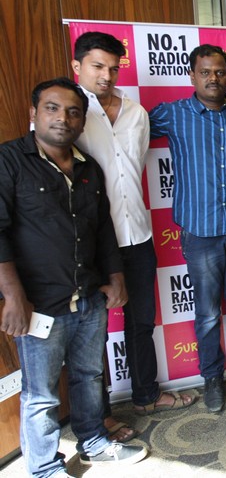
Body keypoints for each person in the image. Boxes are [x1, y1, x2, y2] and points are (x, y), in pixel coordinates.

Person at [0, 78, 148, 475]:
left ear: (82, 121)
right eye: (51, 108)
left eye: (72, 112)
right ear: (33, 113)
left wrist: (116, 277)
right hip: (39, 303)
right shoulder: (9, 161)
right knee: (41, 394)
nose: (62, 118)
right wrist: (13, 297)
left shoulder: (88, 168)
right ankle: (44, 468)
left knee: (89, 376)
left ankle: (94, 441)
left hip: (89, 296)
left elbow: (103, 229)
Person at [71, 31, 195, 439]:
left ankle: (146, 394)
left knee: (142, 321)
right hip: (89, 242)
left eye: (113, 67)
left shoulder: (136, 113)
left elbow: (133, 169)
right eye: (97, 66)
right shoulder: (68, 112)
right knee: (91, 335)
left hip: (137, 233)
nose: (106, 75)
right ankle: (99, 416)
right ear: (77, 66)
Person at [149, 44, 226, 413]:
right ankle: (211, 378)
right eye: (205, 72)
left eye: (219, 72)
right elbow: (129, 131)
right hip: (200, 231)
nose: (213, 78)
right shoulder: (173, 114)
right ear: (192, 75)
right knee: (206, 313)